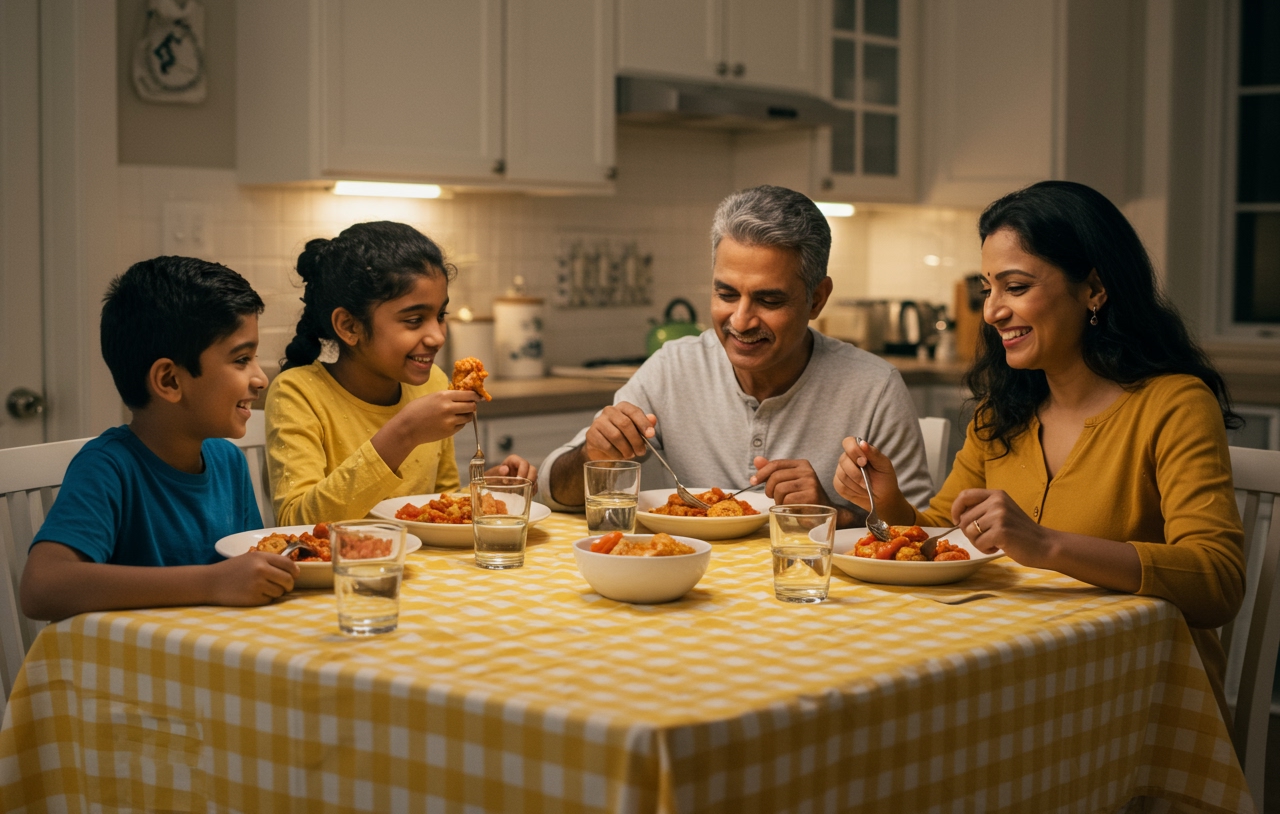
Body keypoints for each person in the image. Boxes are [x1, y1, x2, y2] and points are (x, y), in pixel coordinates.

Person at [834, 181, 1245, 713]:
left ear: (1094, 289)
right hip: (1012, 671)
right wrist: (887, 504)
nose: (992, 312)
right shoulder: (1002, 411)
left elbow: (1218, 580)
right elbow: (944, 535)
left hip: (1135, 693)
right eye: (988, 289)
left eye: (1016, 286)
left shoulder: (1173, 405)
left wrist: (1047, 544)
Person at [544, 185, 933, 526]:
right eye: (726, 294)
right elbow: (553, 491)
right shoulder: (671, 370)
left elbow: (924, 534)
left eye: (769, 299)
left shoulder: (874, 389)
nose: (741, 321)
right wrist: (591, 454)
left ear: (817, 299)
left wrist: (833, 513)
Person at [20, 257, 294, 621]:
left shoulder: (227, 461)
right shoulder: (108, 466)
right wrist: (210, 583)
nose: (260, 378)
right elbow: (42, 587)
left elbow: (251, 567)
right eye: (242, 359)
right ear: (169, 381)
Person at [266, 220, 536, 526]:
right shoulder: (298, 393)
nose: (437, 336)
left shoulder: (433, 382)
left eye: (440, 315)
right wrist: (403, 433)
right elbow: (296, 523)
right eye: (414, 319)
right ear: (350, 326)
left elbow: (438, 501)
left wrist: (482, 491)